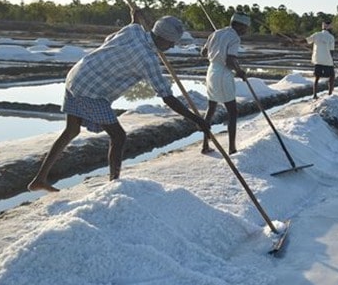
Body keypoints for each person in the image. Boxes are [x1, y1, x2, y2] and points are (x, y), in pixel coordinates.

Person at [27, 11, 210, 192]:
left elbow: (118, 35)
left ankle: (39, 179)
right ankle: (114, 183)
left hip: (78, 75)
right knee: (118, 136)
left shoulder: (134, 31)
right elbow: (167, 97)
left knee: (71, 130)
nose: (171, 47)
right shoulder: (148, 60)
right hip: (90, 91)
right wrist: (196, 119)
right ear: (163, 38)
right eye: (171, 43)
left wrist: (134, 18)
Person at [200, 13, 249, 154]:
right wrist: (239, 71)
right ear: (239, 25)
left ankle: (205, 145)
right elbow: (230, 61)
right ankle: (232, 149)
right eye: (245, 27)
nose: (246, 31)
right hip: (223, 74)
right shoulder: (234, 37)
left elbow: (203, 53)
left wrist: (217, 46)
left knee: (211, 108)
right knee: (232, 112)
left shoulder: (216, 33)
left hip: (211, 72)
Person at [306, 20, 335, 99]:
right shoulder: (331, 37)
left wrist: (295, 41)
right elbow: (331, 51)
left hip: (317, 60)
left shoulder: (316, 35)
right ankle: (330, 94)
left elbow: (307, 40)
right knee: (332, 76)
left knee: (317, 77)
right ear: (329, 28)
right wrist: (332, 61)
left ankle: (315, 95)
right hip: (327, 61)